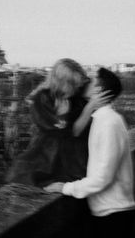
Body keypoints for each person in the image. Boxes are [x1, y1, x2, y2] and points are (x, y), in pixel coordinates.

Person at [44, 67, 135, 238]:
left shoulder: (108, 123)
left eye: (92, 81)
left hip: (113, 214)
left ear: (100, 91)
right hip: (111, 211)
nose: (86, 81)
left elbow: (102, 177)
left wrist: (65, 188)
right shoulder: (105, 119)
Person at [7, 58, 109, 187]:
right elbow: (69, 132)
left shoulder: (74, 97)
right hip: (50, 157)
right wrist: (89, 107)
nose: (77, 87)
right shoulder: (43, 99)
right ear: (63, 83)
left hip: (73, 157)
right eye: (74, 84)